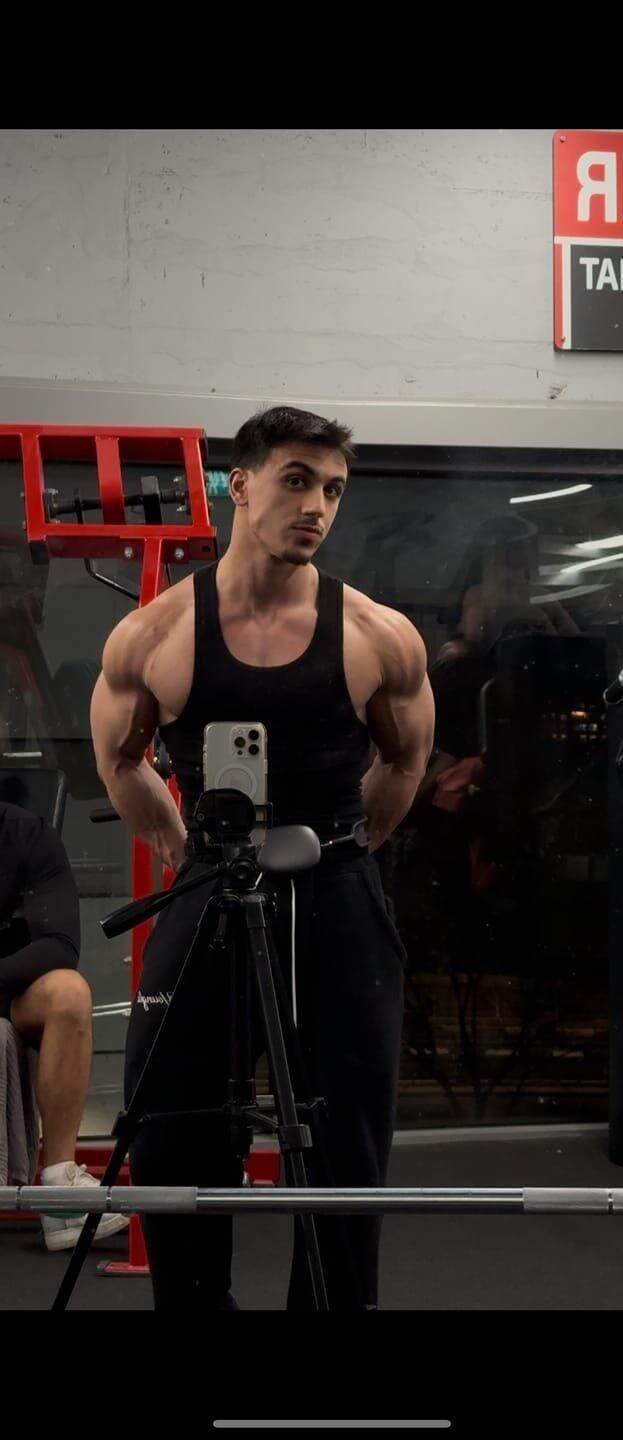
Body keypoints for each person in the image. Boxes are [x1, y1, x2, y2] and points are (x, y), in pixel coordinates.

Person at [90, 403, 435, 1311]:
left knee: (347, 1128)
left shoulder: (377, 635)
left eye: (333, 489)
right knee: (172, 1120)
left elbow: (405, 763)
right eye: (296, 481)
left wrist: (340, 854)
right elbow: (119, 760)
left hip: (335, 887)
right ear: (239, 487)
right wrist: (184, 852)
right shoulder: (156, 634)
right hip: (210, 883)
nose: (317, 505)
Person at [0, 776, 129, 1250]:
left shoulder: (26, 835)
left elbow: (59, 946)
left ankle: (59, 1193)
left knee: (69, 993)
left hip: (10, 991)